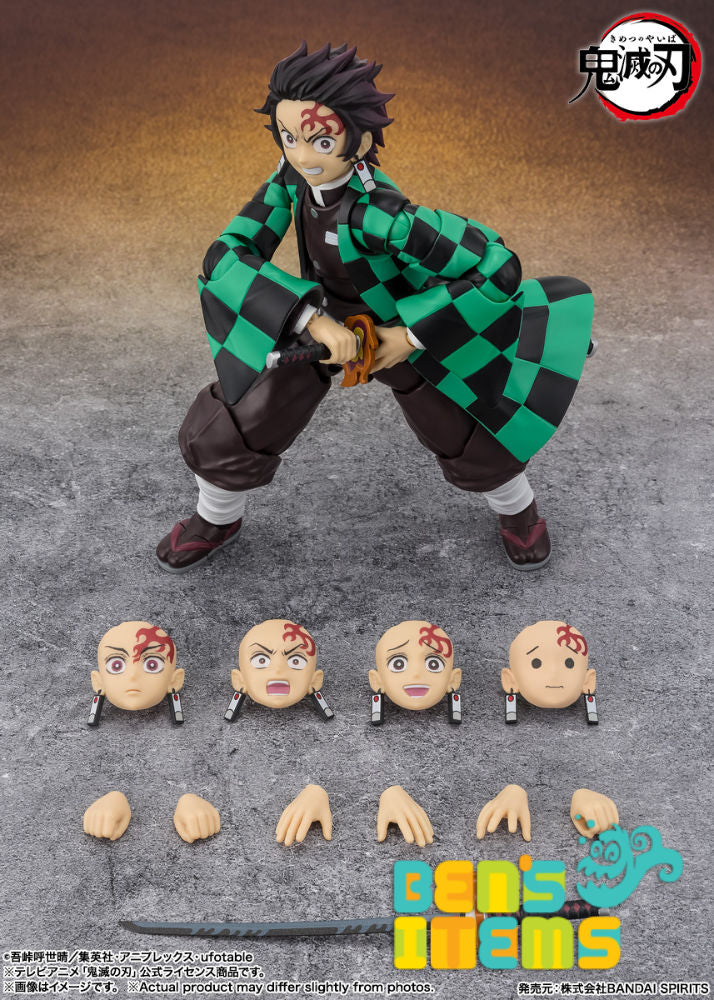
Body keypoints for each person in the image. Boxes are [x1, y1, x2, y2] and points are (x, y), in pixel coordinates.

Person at [157, 42, 593, 574]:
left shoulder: (383, 217)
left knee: (469, 432)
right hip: (319, 327)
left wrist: (409, 336)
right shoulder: (290, 183)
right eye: (289, 137)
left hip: (396, 331)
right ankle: (217, 517)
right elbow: (225, 255)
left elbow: (497, 267)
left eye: (321, 141)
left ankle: (519, 512)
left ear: (358, 139)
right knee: (239, 419)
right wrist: (309, 320)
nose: (303, 156)